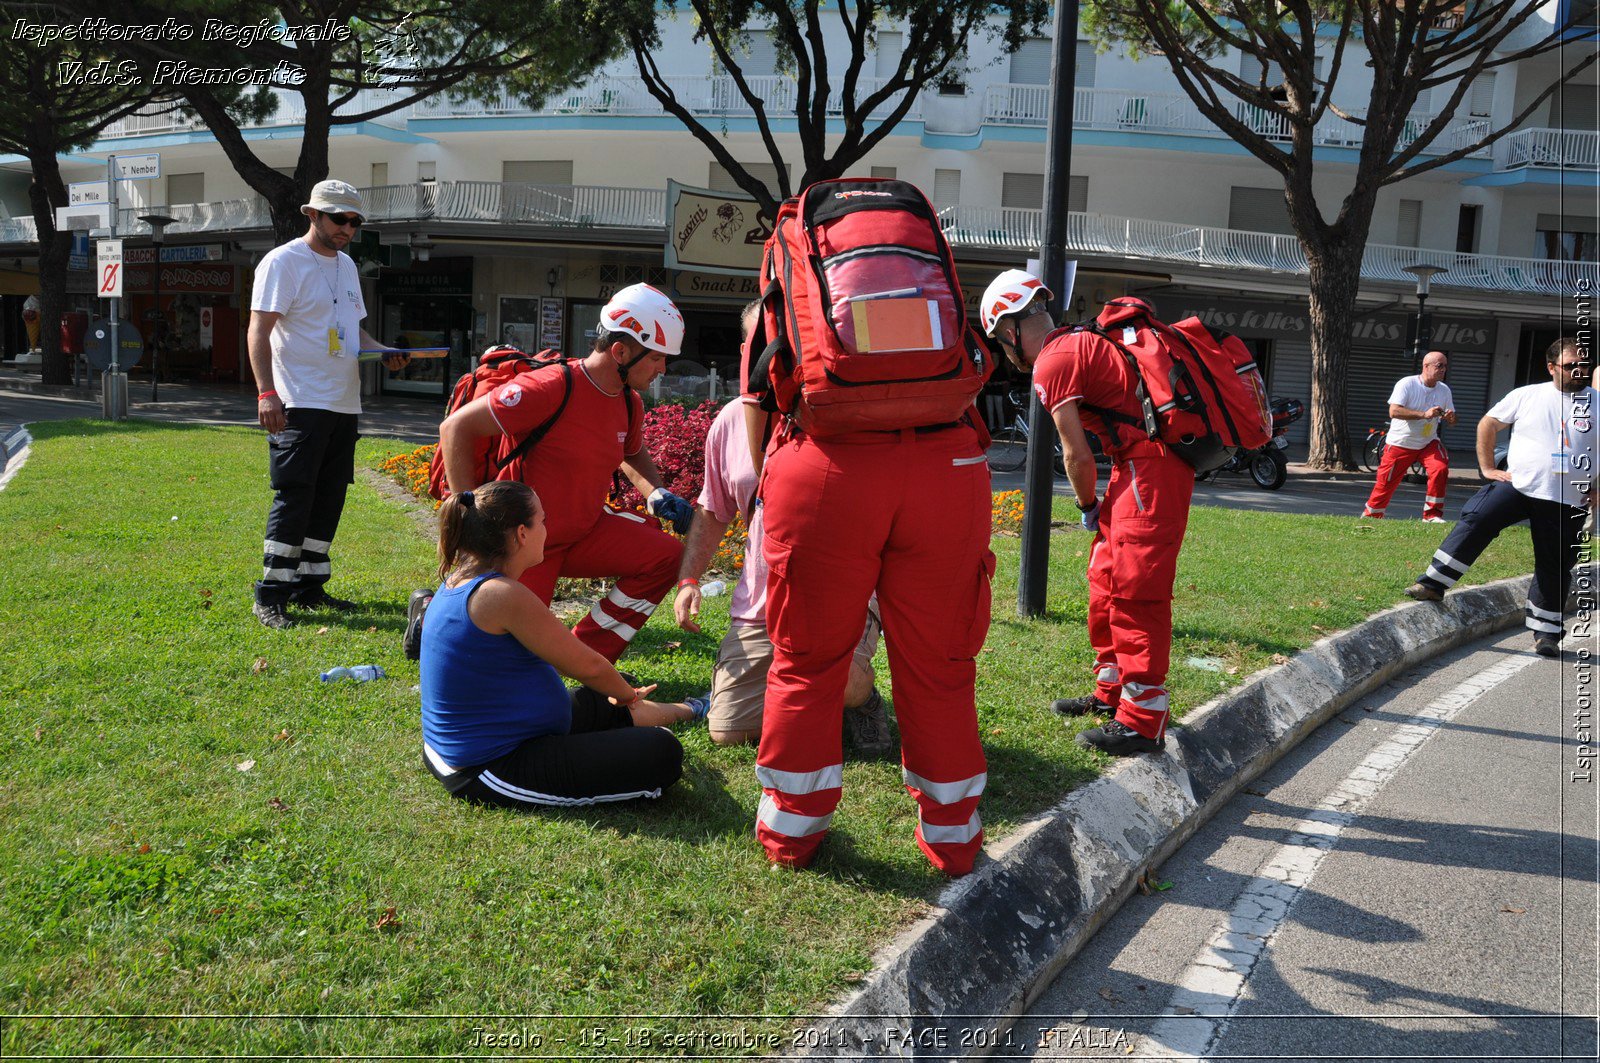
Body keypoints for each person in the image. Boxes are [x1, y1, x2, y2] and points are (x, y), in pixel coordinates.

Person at [745, 332, 994, 878]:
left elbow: (757, 397)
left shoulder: (795, 264)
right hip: (946, 467)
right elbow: (976, 364)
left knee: (806, 663)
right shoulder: (926, 265)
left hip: (826, 467)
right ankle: (954, 839)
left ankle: (792, 836)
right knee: (942, 667)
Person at [980, 269, 1190, 757]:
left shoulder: (1052, 362)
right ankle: (1111, 692)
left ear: (1010, 330)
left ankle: (1142, 721)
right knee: (1105, 579)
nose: (1004, 351)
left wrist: (1087, 506)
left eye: (999, 340)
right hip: (1135, 467)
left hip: (1147, 469)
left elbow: (1073, 455)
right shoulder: (1077, 340)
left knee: (1137, 592)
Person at [436, 284, 695, 662]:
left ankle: (588, 655)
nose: (662, 369)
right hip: (522, 545)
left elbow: (632, 450)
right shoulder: (551, 387)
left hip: (585, 532)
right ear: (621, 351)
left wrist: (656, 492)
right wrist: (469, 514)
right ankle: (428, 613)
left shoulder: (629, 401)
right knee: (512, 660)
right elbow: (455, 429)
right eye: (657, 358)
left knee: (667, 557)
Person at [673, 303, 891, 751]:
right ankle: (811, 697)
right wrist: (689, 579)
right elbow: (713, 511)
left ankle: (862, 699)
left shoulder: (835, 410)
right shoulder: (732, 420)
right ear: (744, 349)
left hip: (838, 591)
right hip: (761, 601)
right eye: (761, 343)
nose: (772, 357)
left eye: (783, 343)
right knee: (728, 732)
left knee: (840, 681)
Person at [421, 481, 689, 809]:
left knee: (604, 695)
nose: (548, 530)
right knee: (663, 752)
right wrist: (626, 696)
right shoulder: (499, 595)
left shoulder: (465, 578)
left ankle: (690, 708)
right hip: (488, 766)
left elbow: (580, 665)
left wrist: (620, 692)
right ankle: (672, 717)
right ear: (522, 533)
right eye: (543, 521)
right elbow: (584, 665)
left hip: (498, 737)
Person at [249, 180, 409, 629]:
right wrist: (266, 393)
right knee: (295, 495)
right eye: (340, 219)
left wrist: (385, 353)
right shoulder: (283, 262)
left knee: (330, 496)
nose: (348, 229)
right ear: (313, 215)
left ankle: (309, 586)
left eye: (355, 222)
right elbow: (258, 332)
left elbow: (357, 336)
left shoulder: (347, 267)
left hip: (343, 403)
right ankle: (272, 593)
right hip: (299, 400)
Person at [1405, 337, 1596, 658]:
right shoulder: (1527, 395)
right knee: (1478, 518)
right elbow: (1489, 425)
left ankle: (1546, 633)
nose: (1579, 371)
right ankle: (1433, 584)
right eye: (1570, 366)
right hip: (1518, 484)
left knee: (1556, 563)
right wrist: (1488, 467)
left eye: (1584, 365)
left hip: (1568, 498)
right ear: (1551, 368)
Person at [1362, 350, 1456, 522]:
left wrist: (1450, 418)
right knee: (1386, 483)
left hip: (1428, 442)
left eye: (1445, 366)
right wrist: (1424, 414)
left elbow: (1452, 420)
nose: (1443, 370)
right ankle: (1372, 516)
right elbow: (1394, 411)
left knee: (1440, 469)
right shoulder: (1407, 384)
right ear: (1425, 366)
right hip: (1400, 443)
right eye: (1439, 366)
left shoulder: (1444, 390)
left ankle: (1431, 515)